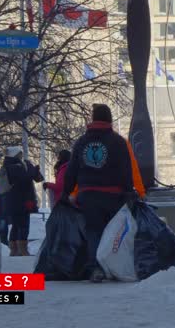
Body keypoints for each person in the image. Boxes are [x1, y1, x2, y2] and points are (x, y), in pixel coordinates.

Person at [62, 104, 134, 283]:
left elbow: (72, 169)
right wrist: (128, 191)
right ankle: (113, 264)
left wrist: (66, 191)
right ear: (109, 119)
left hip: (88, 195)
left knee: (93, 230)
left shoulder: (82, 142)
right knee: (113, 231)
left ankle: (95, 267)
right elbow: (126, 169)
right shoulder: (118, 142)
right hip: (113, 195)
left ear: (93, 119)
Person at [2, 146, 43, 256]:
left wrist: (35, 171)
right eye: (20, 153)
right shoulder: (14, 166)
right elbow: (25, 178)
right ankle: (21, 249)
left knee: (17, 225)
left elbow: (38, 178)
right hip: (20, 200)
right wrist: (33, 170)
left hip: (17, 200)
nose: (22, 155)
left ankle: (15, 250)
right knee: (23, 225)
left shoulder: (15, 165)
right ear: (16, 154)